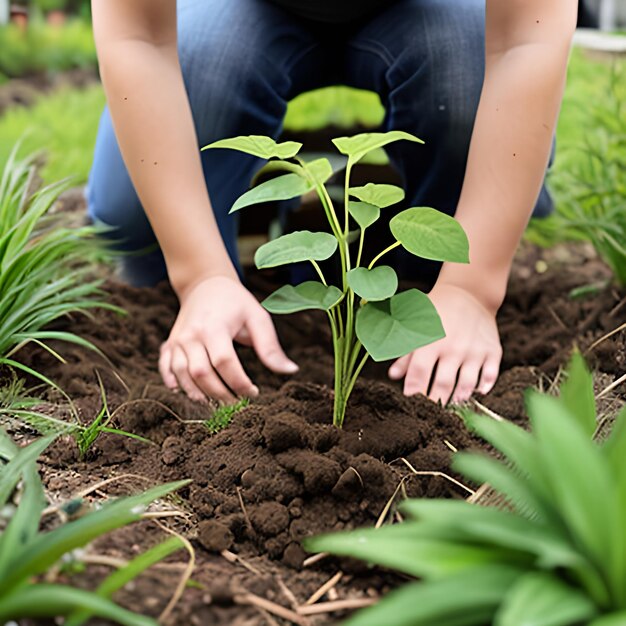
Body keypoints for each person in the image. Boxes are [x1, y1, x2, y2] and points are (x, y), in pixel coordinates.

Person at [88, 0, 577, 407]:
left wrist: (473, 287)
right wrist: (199, 276)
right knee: (129, 215)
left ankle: (436, 282)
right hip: (239, 11)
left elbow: (527, 39)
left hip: (433, 12)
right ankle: (204, 279)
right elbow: (139, 37)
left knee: (461, 81)